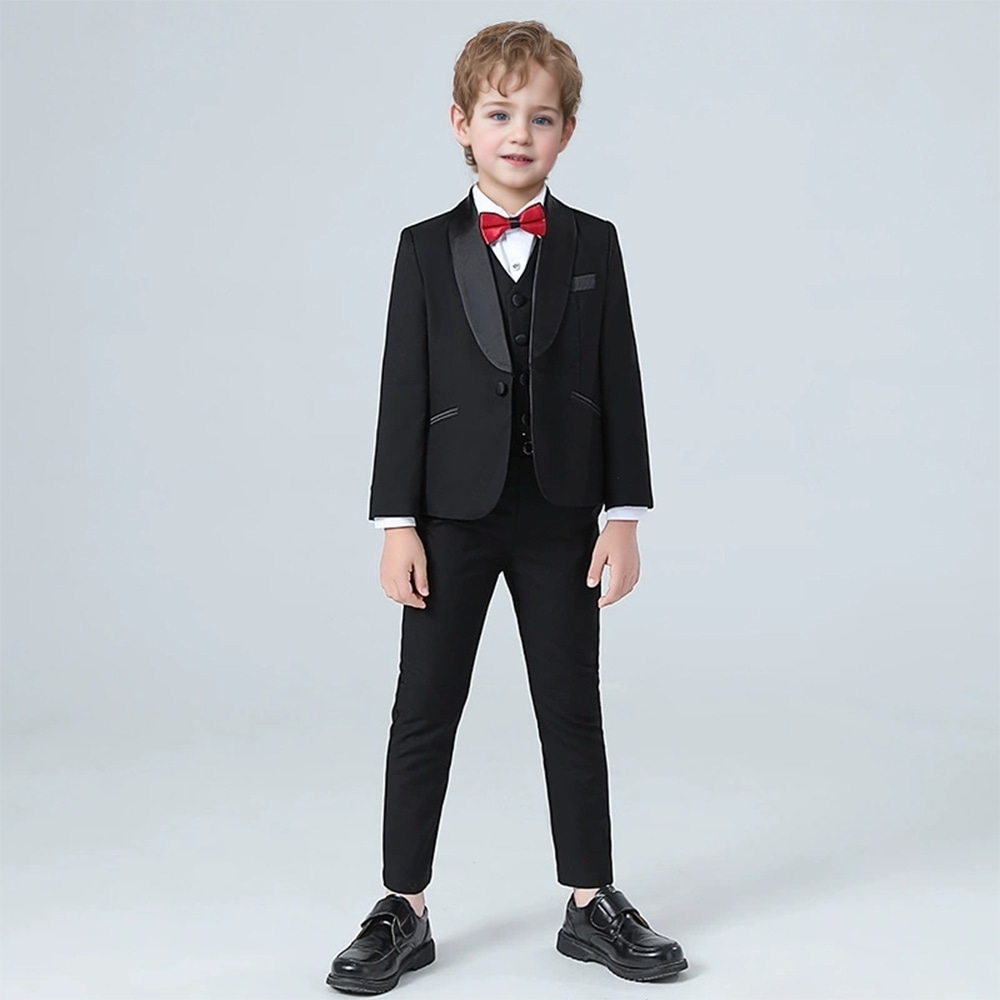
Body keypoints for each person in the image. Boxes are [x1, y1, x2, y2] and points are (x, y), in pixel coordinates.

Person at [326, 19, 688, 994]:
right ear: (461, 124)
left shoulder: (595, 244)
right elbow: (403, 390)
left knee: (571, 706)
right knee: (424, 709)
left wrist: (625, 516)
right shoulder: (423, 249)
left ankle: (590, 902)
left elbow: (619, 381)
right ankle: (402, 905)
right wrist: (396, 523)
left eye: (540, 117)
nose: (518, 133)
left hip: (563, 516)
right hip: (449, 517)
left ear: (566, 132)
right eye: (498, 114)